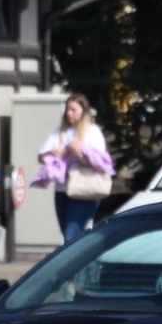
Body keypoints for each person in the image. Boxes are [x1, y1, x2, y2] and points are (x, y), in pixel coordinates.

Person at [33, 92, 116, 242]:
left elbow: (100, 163)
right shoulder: (60, 132)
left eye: (73, 110)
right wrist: (53, 153)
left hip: (84, 189)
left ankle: (76, 264)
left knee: (71, 235)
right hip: (62, 190)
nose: (69, 113)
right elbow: (40, 157)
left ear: (83, 111)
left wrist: (78, 154)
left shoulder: (92, 132)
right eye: (67, 109)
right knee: (68, 235)